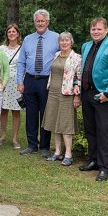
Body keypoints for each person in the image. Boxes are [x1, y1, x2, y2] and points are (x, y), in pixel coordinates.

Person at [17, 9, 59, 157]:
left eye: (43, 21)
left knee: (45, 114)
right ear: (34, 22)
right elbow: (21, 62)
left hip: (47, 81)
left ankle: (45, 147)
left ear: (47, 22)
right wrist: (19, 81)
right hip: (29, 80)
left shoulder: (57, 38)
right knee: (31, 113)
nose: (40, 23)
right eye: (37, 21)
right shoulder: (28, 39)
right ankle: (32, 145)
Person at [42, 32, 81, 166]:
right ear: (59, 43)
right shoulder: (56, 55)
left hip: (67, 94)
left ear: (72, 42)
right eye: (62, 40)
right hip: (53, 92)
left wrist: (77, 95)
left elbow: (79, 78)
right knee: (54, 122)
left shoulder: (76, 58)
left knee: (65, 124)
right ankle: (57, 152)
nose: (64, 43)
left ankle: (68, 154)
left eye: (67, 40)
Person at [79, 17, 108, 181]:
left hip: (103, 95)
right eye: (93, 29)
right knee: (90, 129)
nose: (95, 32)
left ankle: (105, 167)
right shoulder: (86, 46)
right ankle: (94, 160)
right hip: (87, 93)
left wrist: (107, 93)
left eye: (99, 29)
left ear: (106, 30)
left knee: (103, 131)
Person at [0, 23, 22, 149]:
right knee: (3, 110)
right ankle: (2, 135)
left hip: (17, 82)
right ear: (7, 34)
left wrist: (22, 83)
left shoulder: (22, 48)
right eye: (9, 32)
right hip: (4, 82)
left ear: (17, 34)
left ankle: (15, 138)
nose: (11, 34)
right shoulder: (2, 48)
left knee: (16, 110)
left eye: (14, 31)